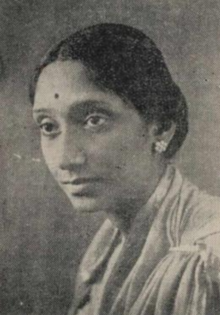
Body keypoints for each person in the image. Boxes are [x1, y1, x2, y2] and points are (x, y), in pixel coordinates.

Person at [30, 23, 220, 315]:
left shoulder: (207, 258)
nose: (66, 158)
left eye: (94, 120)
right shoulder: (105, 251)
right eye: (49, 127)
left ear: (161, 128)